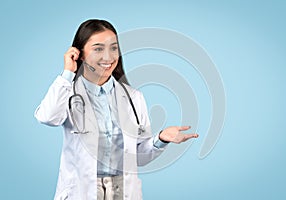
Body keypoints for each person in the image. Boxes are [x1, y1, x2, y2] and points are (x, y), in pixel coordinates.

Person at [34, 19, 198, 200]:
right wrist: (67, 74)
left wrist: (160, 139)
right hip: (81, 190)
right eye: (98, 49)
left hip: (123, 190)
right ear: (79, 54)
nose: (108, 57)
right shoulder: (68, 92)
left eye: (113, 48)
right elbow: (47, 117)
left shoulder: (133, 97)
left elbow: (139, 158)